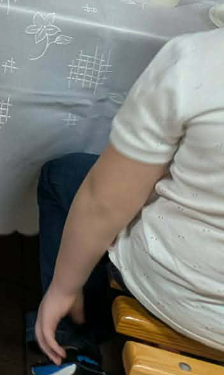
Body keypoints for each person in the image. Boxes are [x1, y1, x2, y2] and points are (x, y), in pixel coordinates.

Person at [32, 29, 224, 373]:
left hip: (182, 298)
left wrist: (63, 289)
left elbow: (103, 202)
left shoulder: (200, 59)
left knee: (63, 177)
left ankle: (73, 340)